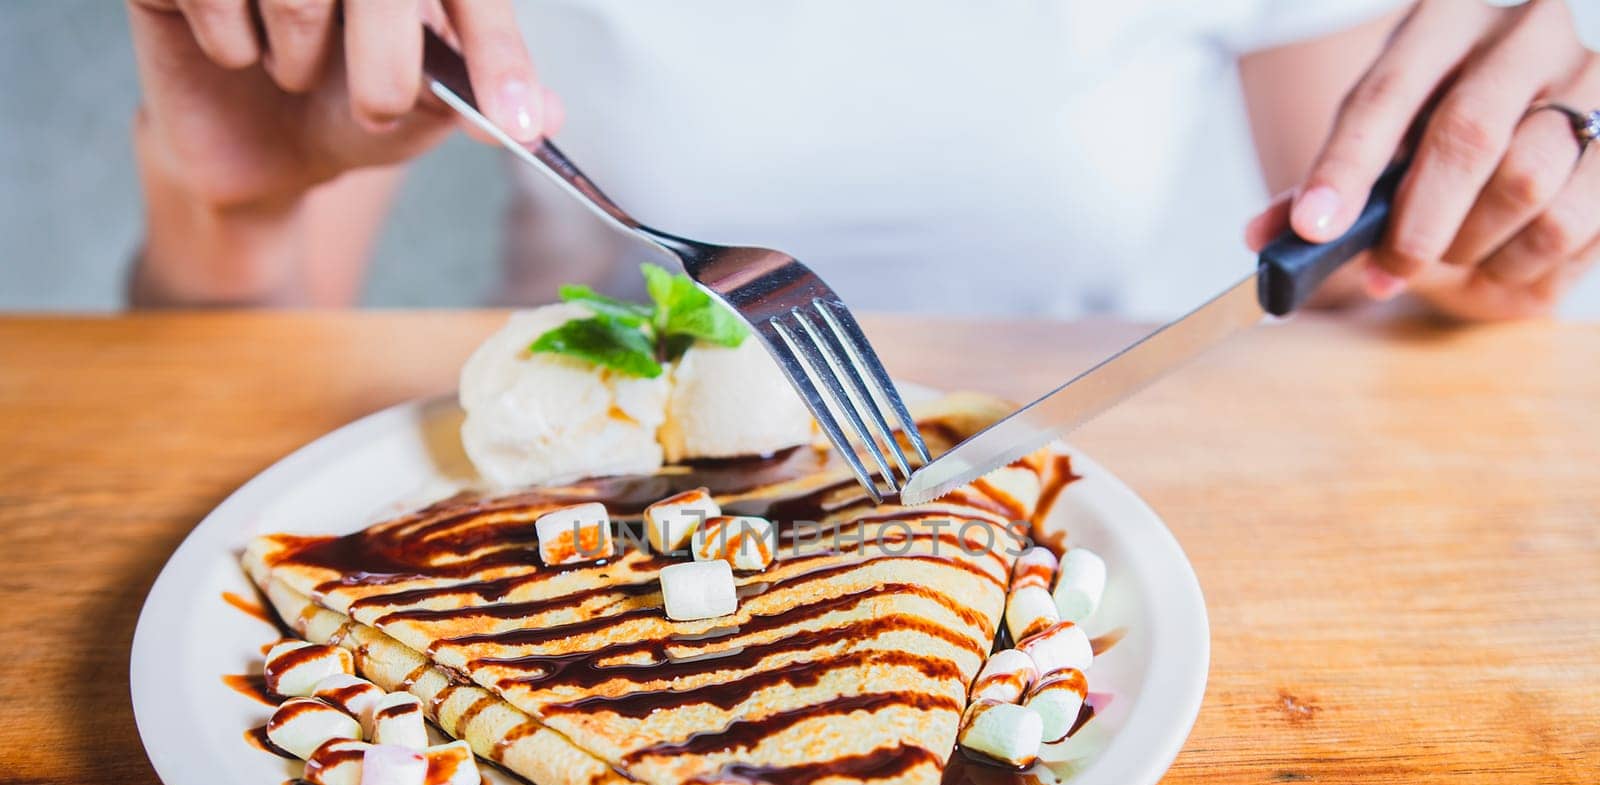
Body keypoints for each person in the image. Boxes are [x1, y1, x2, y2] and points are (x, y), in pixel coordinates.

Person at [127, 0, 1599, 323]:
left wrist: (1491, 225)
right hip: (593, 539)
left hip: (1124, 533)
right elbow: (215, 445)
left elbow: (1371, 275)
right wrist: (231, 205)